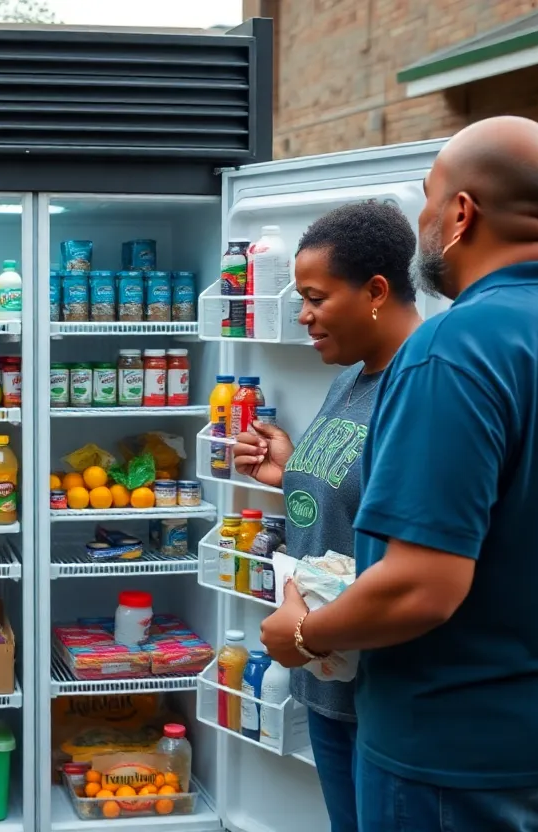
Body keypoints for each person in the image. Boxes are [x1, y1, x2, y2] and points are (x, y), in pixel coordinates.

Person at [260, 116, 538, 831]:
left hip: (449, 744)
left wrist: (304, 633)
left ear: (461, 214)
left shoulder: (451, 346)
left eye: (430, 201)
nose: (423, 224)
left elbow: (422, 585)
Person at [232, 200, 421, 832]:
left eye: (316, 298)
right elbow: (357, 493)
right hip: (326, 679)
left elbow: (413, 546)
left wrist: (309, 633)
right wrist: (293, 472)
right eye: (300, 299)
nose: (303, 315)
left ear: (376, 292)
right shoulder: (350, 378)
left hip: (381, 688)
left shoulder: (418, 388)